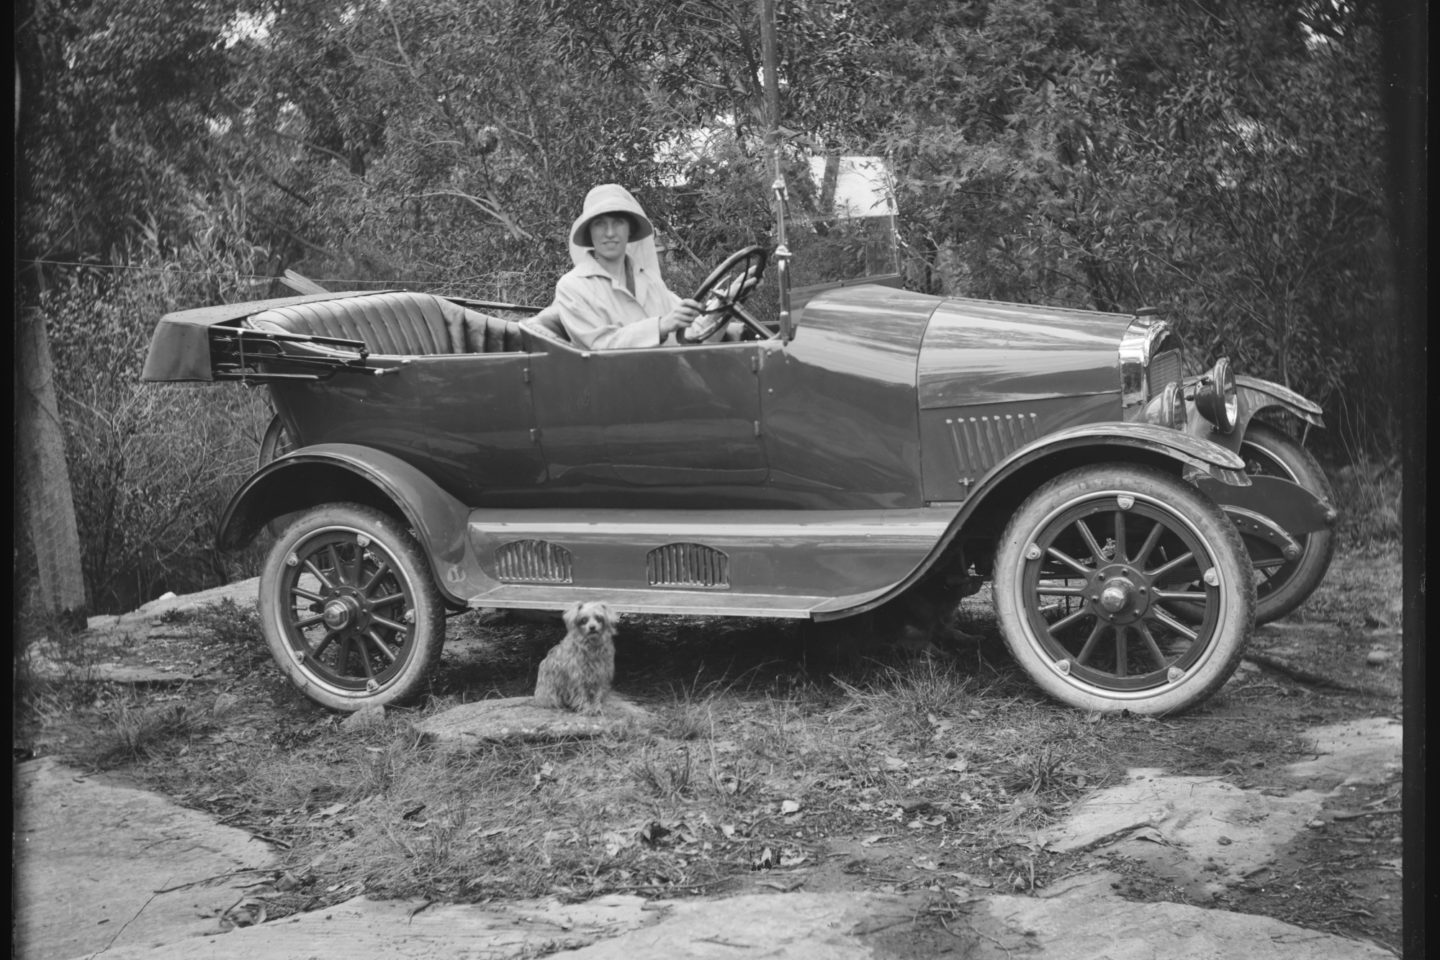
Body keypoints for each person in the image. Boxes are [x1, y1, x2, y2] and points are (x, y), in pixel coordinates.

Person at [552, 184, 703, 349]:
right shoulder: (573, 287)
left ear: (630, 230)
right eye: (600, 224)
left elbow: (692, 330)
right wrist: (659, 326)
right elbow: (599, 345)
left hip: (667, 370)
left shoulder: (650, 279)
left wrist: (721, 305)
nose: (610, 233)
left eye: (618, 223)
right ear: (589, 232)